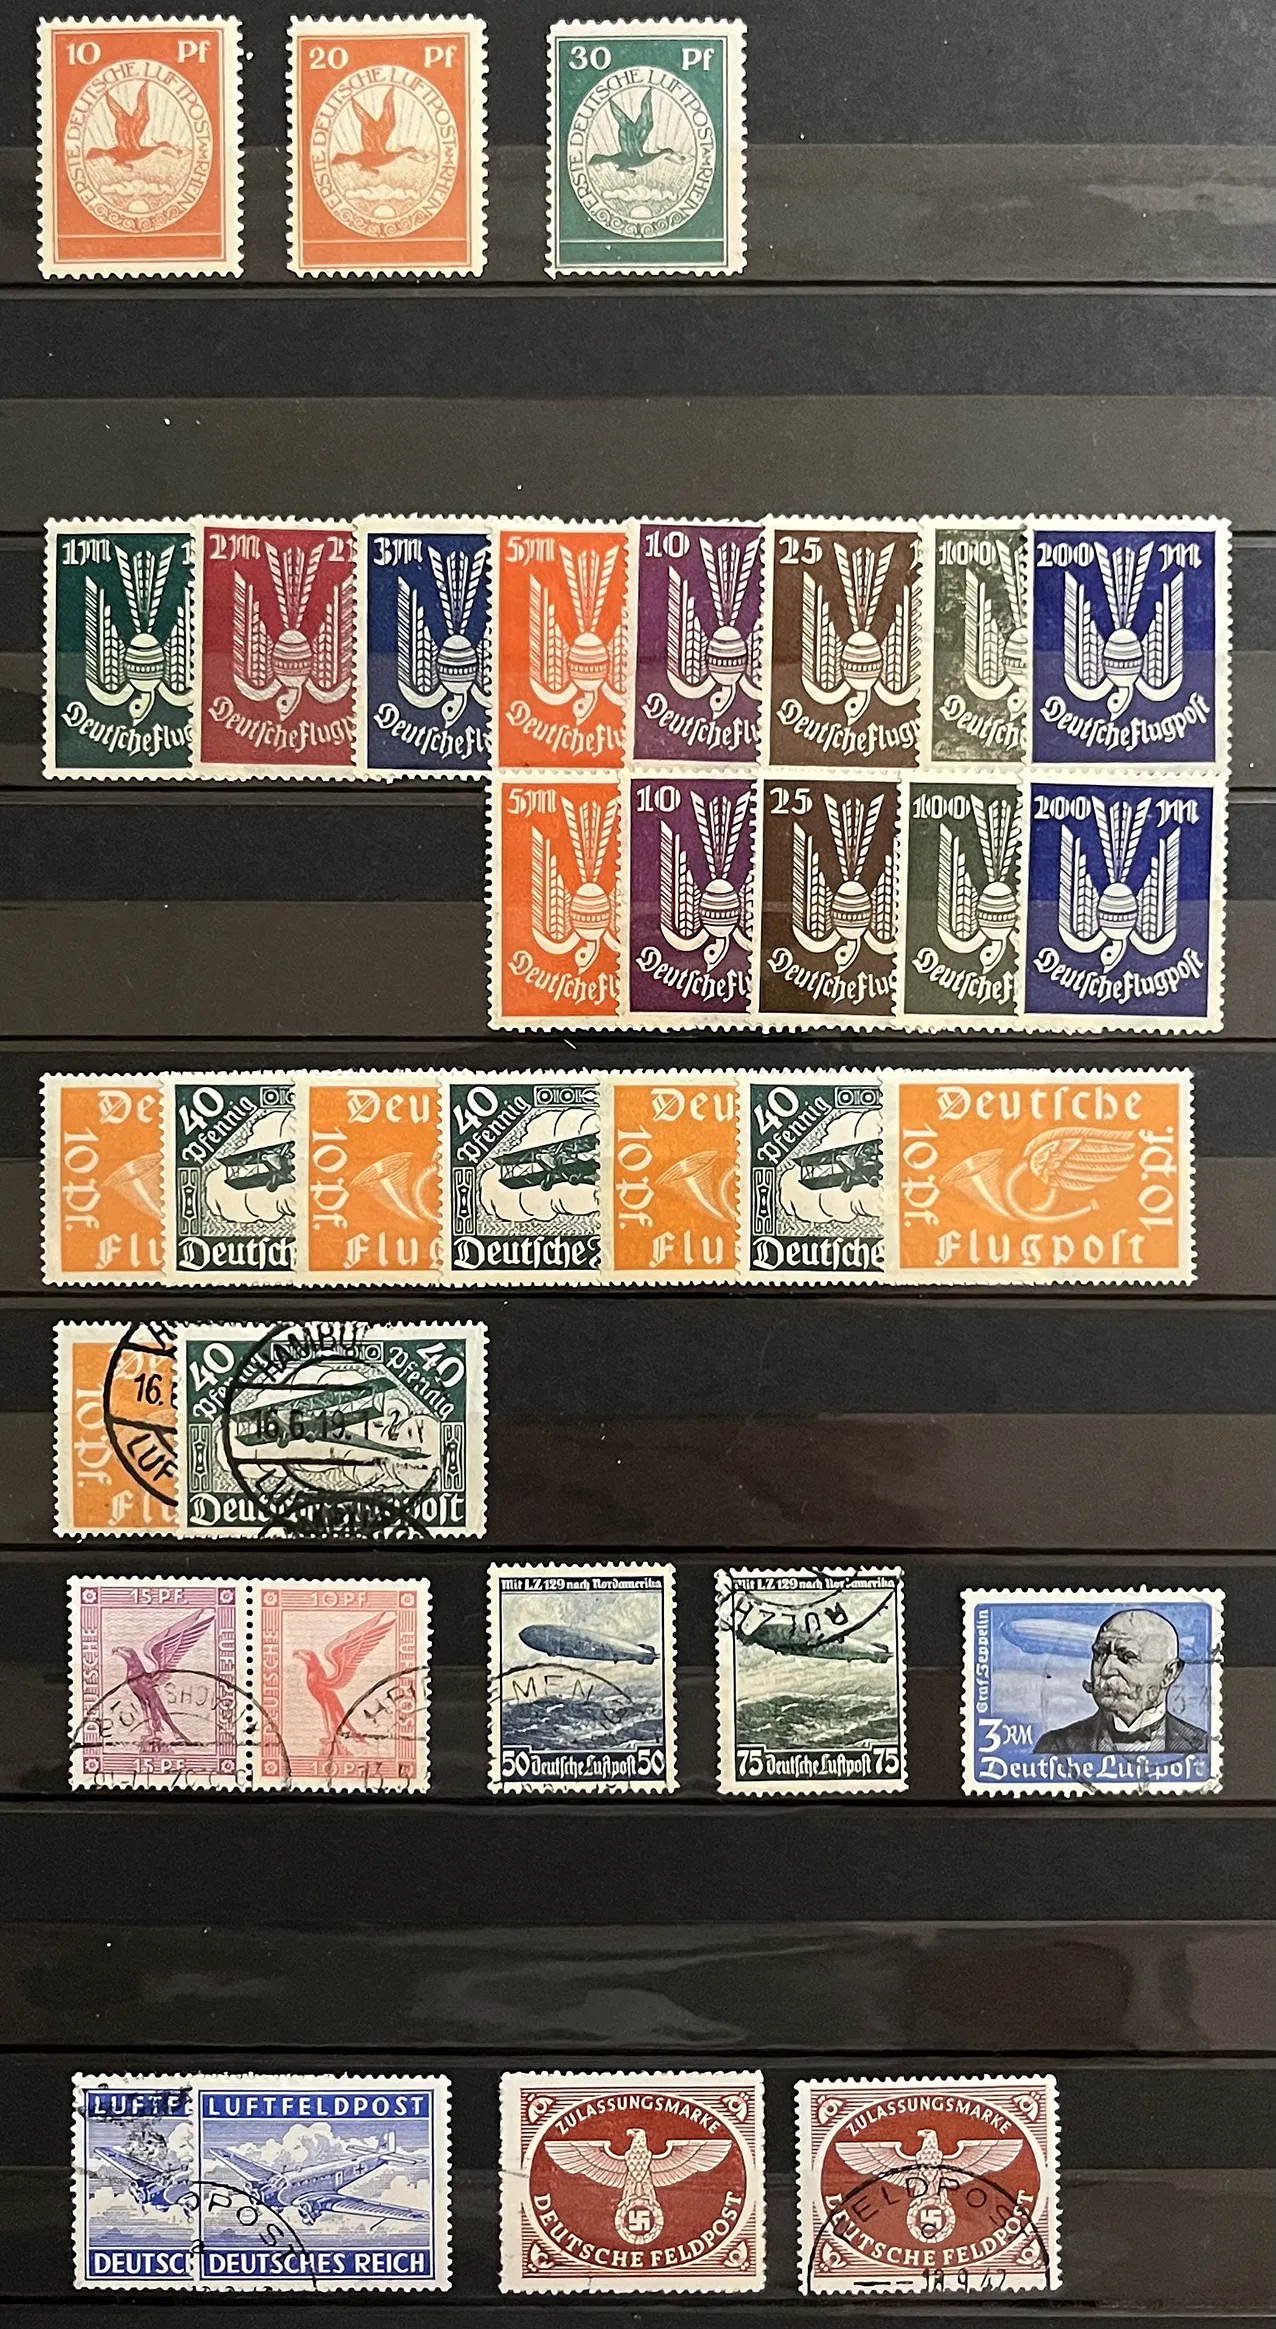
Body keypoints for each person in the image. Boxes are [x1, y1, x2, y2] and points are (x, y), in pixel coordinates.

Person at [1034, 1606, 1208, 1754]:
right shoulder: (1056, 1747)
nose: (1105, 1670)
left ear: (1169, 1673)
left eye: (1127, 1657)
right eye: (1100, 1654)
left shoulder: (1204, 1746)